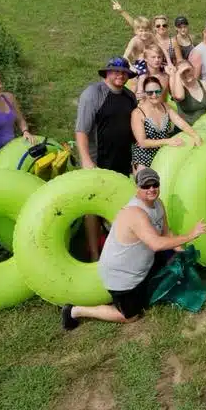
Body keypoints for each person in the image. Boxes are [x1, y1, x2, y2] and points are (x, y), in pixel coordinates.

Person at [61, 168, 206, 330]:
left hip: (144, 264)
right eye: (146, 186)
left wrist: (181, 252)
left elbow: (166, 232)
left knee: (173, 260)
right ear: (137, 188)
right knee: (131, 317)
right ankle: (74, 311)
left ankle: (149, 289)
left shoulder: (158, 204)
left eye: (155, 184)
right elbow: (156, 244)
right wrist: (190, 235)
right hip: (122, 275)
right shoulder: (135, 213)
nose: (151, 189)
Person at [76, 57, 139, 260]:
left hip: (121, 159)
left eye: (123, 73)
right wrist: (86, 159)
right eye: (115, 72)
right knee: (92, 207)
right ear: (107, 73)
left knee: (118, 203)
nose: (120, 75)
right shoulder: (93, 94)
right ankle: (94, 253)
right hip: (97, 160)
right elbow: (81, 130)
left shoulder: (129, 96)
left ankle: (116, 247)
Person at [130, 76, 202, 171]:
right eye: (150, 92)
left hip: (164, 155)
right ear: (144, 93)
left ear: (161, 91)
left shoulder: (166, 107)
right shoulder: (138, 113)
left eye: (157, 91)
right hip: (144, 158)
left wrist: (195, 135)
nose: (154, 95)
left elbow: (181, 124)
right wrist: (167, 141)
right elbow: (143, 142)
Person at [168, 61, 206, 125]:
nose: (186, 74)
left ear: (193, 69)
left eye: (188, 70)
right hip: (190, 129)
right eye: (183, 72)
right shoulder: (179, 89)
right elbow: (179, 97)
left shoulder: (204, 84)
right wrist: (178, 73)